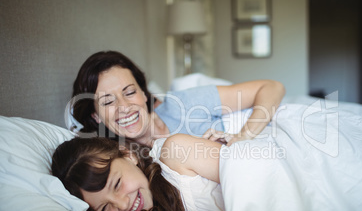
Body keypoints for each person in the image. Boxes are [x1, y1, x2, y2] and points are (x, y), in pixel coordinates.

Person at [52, 134, 239, 211]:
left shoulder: (175, 152)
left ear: (128, 155)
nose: (123, 205)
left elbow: (256, 178)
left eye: (116, 184)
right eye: (104, 207)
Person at [71, 51, 285, 148]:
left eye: (129, 92)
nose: (124, 107)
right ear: (95, 115)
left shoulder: (182, 105)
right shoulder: (121, 161)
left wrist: (242, 137)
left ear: (144, 94)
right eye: (108, 102)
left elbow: (272, 87)